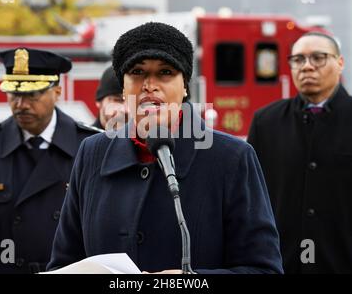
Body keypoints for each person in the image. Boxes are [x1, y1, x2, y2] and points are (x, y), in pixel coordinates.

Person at [47, 22, 283, 274]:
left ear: (184, 87)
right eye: (137, 72)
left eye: (165, 72)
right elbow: (63, 264)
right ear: (123, 88)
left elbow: (264, 269)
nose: (150, 84)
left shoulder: (232, 158)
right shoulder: (92, 153)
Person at [0, 47, 102, 273]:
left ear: (57, 91)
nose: (21, 104)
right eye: (14, 94)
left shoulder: (89, 148)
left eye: (32, 94)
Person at [247, 32, 352, 274]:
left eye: (318, 58)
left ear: (340, 63)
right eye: (298, 60)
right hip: (279, 265)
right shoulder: (266, 122)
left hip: (348, 265)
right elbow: (248, 199)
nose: (307, 66)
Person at [93, 66, 127, 130]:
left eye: (133, 101)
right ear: (99, 101)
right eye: (118, 100)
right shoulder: (81, 139)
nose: (126, 109)